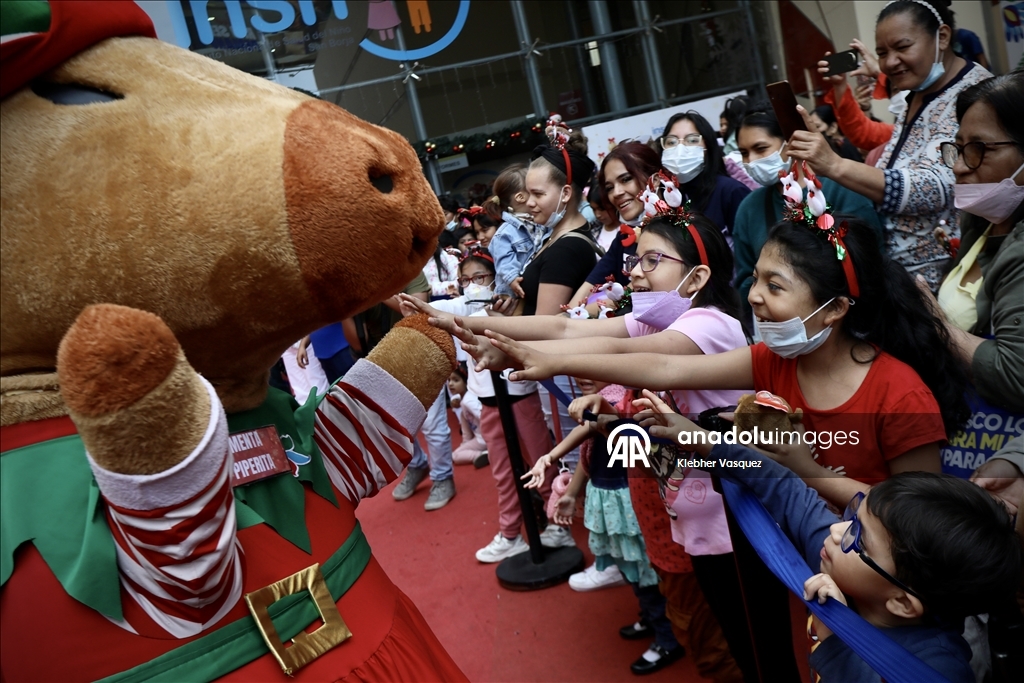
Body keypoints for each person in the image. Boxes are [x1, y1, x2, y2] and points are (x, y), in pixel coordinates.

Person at [406, 207, 755, 682]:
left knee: (736, 640)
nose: (634, 270)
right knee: (710, 631)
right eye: (636, 258)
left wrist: (529, 355)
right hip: (693, 503)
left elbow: (625, 357)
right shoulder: (659, 322)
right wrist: (456, 321)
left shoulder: (708, 325)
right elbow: (564, 327)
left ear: (696, 276)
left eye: (652, 260)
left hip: (732, 511)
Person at [486, 204, 972, 510]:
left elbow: (918, 517)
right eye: (755, 278)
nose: (754, 297)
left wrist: (810, 471)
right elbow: (665, 368)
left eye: (775, 286)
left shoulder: (899, 392)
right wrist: (550, 359)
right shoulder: (772, 361)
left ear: (836, 309)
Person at [635, 403, 1020, 683]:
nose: (836, 531)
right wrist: (704, 443)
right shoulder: (851, 564)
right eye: (853, 515)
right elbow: (784, 486)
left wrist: (834, 628)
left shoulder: (933, 670)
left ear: (902, 602)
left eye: (857, 534)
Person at [786, 0, 993, 289]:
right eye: (882, 53)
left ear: (942, 37)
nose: (890, 62)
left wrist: (835, 165)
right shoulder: (919, 92)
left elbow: (935, 186)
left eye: (903, 47)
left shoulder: (975, 95)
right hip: (904, 279)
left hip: (948, 280)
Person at [401, 247, 574, 557]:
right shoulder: (466, 306)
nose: (473, 284)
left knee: (539, 460)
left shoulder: (510, 307)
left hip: (521, 397)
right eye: (465, 279)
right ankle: (510, 533)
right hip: (489, 402)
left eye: (479, 277)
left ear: (496, 277)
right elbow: (454, 305)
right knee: (503, 472)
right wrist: (422, 309)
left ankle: (558, 523)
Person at [524, 380, 688, 676]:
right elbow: (587, 454)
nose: (584, 375)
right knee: (631, 569)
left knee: (646, 574)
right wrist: (571, 491)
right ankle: (652, 619)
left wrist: (552, 454)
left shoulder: (619, 399)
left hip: (629, 501)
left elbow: (600, 423)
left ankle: (667, 637)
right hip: (609, 498)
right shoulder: (597, 399)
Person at [732, 105, 883, 327]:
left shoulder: (842, 190)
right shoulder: (749, 208)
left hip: (850, 323)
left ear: (791, 143)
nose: (751, 161)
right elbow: (746, 280)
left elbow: (872, 264)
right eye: (744, 153)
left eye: (760, 148)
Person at [929, 70, 1024, 414]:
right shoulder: (981, 223)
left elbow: (1017, 375)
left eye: (979, 149)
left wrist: (931, 318)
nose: (958, 167)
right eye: (958, 148)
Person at [568, 142, 663, 305]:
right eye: (610, 187)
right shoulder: (625, 235)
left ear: (655, 180)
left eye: (626, 179)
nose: (616, 193)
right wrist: (569, 312)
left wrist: (569, 321)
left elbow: (634, 297)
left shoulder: (679, 231)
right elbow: (591, 284)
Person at [657, 111, 751, 247]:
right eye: (671, 142)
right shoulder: (666, 196)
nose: (680, 148)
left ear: (708, 146)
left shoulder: (730, 191)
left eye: (692, 140)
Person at [485, 164, 547, 301]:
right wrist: (512, 278)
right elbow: (503, 260)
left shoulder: (537, 221)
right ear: (520, 197)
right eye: (534, 192)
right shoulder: (505, 232)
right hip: (513, 292)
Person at [448, 363, 487, 468]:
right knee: (462, 414)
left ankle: (483, 455)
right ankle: (471, 446)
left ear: (466, 382)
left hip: (484, 439)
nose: (450, 384)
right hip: (482, 438)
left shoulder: (468, 401)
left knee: (455, 455)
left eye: (456, 380)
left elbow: (483, 416)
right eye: (449, 380)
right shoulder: (465, 400)